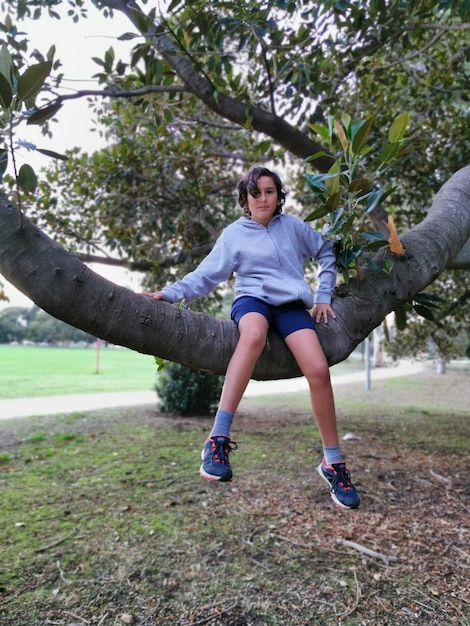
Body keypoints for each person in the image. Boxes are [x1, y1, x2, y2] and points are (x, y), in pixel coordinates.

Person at [144, 166, 360, 509]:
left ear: (279, 196)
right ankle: (217, 438)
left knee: (319, 370)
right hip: (252, 300)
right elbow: (206, 276)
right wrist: (169, 294)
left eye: (269, 191)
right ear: (245, 198)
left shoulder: (294, 227)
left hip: (291, 307)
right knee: (255, 335)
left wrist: (323, 296)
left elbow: (327, 252)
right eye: (255, 192)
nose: (263, 198)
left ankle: (333, 463)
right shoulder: (234, 235)